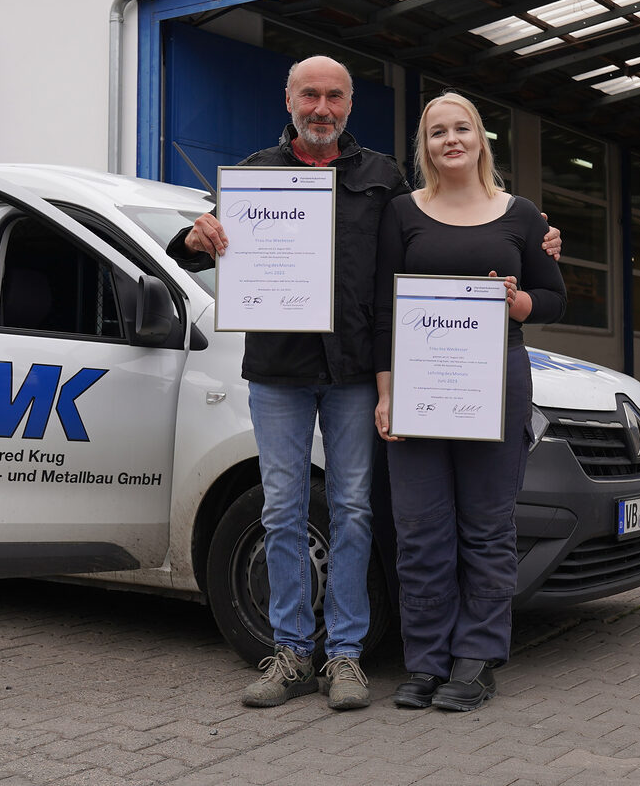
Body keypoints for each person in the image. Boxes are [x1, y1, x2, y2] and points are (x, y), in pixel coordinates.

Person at [167, 59, 560, 711]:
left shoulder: (385, 181)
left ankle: (345, 655)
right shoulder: (255, 176)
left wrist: (538, 240)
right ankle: (293, 651)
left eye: (334, 96)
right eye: (309, 94)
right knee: (283, 512)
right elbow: (196, 247)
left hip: (354, 375)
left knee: (354, 511)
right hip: (279, 373)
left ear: (350, 105)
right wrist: (193, 234)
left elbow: (411, 268)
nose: (321, 107)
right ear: (288, 98)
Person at [373, 92, 567, 712]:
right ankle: (426, 661)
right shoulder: (403, 212)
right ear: (424, 147)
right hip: (418, 387)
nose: (449, 140)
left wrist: (521, 305)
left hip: (497, 383)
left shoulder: (523, 216)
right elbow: (382, 310)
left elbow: (554, 295)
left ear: (481, 139)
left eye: (461, 129)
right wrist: (386, 392)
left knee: (486, 527)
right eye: (436, 133)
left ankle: (476, 660)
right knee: (421, 529)